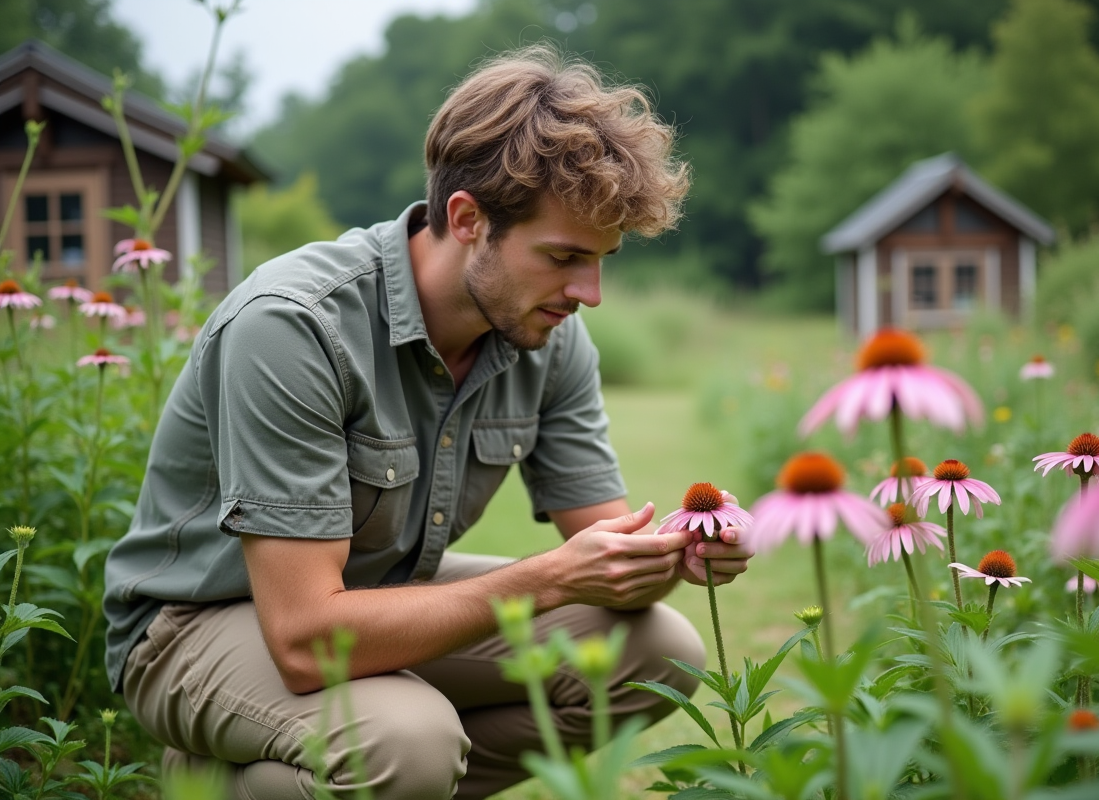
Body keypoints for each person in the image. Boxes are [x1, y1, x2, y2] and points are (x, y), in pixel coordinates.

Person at [102, 44, 754, 799]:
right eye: (565, 256)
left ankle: (294, 777)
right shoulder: (293, 326)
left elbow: (604, 549)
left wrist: (675, 551)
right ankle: (284, 771)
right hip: (200, 624)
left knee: (658, 653)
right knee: (409, 739)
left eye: (603, 259)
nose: (590, 292)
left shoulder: (549, 332)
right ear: (468, 218)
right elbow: (306, 640)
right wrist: (542, 582)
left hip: (377, 596)